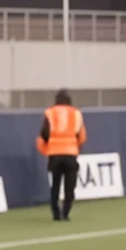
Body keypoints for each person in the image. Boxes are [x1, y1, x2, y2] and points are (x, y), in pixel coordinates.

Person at [37, 89, 87, 221]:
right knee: (70, 186)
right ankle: (66, 212)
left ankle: (56, 213)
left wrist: (45, 150)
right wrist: (76, 147)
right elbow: (82, 137)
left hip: (54, 155)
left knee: (55, 185)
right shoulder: (76, 114)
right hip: (71, 154)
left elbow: (44, 134)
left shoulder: (50, 113)